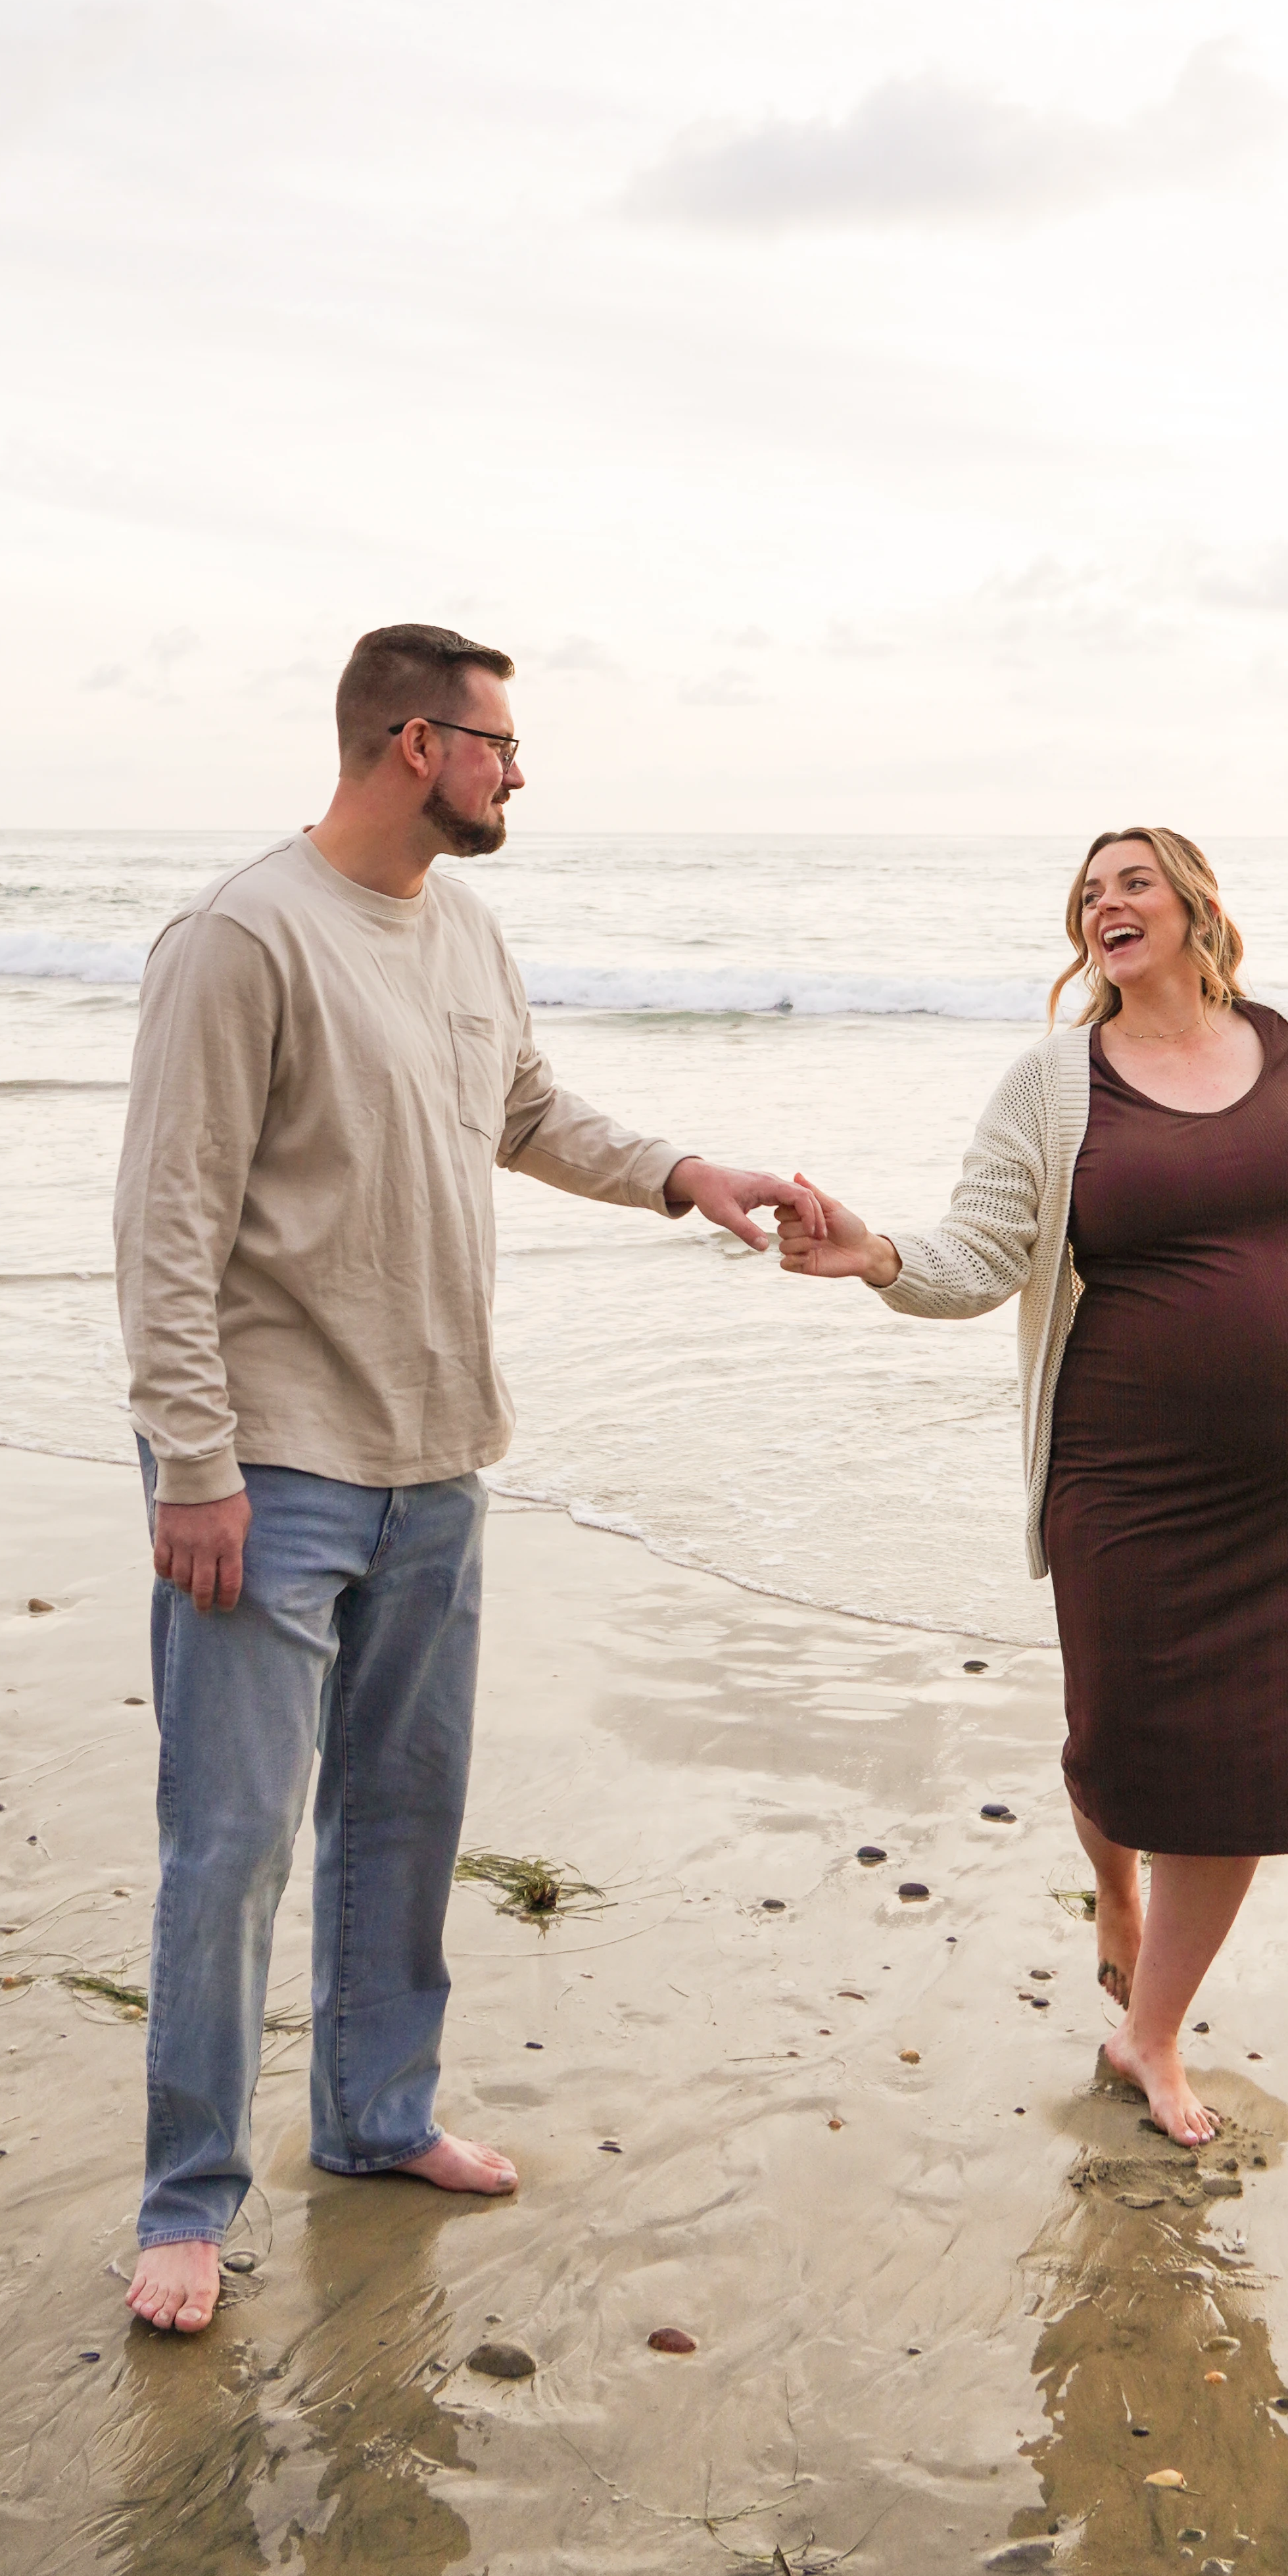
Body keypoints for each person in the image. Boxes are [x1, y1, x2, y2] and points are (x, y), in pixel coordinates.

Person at [112, 620, 823, 2334]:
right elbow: (166, 1221)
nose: (518, 774)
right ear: (417, 745)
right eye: (501, 744)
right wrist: (193, 1464)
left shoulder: (472, 933)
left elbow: (525, 1113)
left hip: (438, 1455)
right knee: (232, 1847)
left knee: (405, 1821)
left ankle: (376, 2120)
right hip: (268, 1471)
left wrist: (682, 1172)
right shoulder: (241, 935)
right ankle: (188, 2204)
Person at [778, 825, 1288, 2147]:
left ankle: (1148, 2031)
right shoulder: (1053, 1082)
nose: (1106, 904)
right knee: (1122, 1739)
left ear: (1194, 906)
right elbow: (981, 1253)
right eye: (1089, 894)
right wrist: (876, 1255)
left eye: (1130, 882)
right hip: (1126, 1482)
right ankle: (1115, 1886)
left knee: (1245, 1763)